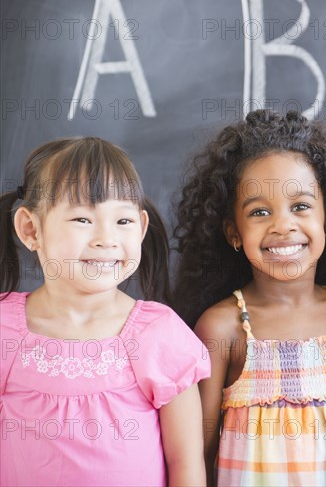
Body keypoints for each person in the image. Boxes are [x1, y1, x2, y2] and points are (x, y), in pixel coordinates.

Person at [172, 109, 326, 486]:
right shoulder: (224, 328)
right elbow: (197, 452)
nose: (282, 225)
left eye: (300, 206)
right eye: (259, 212)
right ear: (233, 232)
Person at [0, 137, 210, 486]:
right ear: (30, 229)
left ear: (141, 228)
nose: (106, 238)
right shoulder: (5, 329)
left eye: (122, 221)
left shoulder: (158, 334)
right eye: (82, 218)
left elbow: (187, 466)